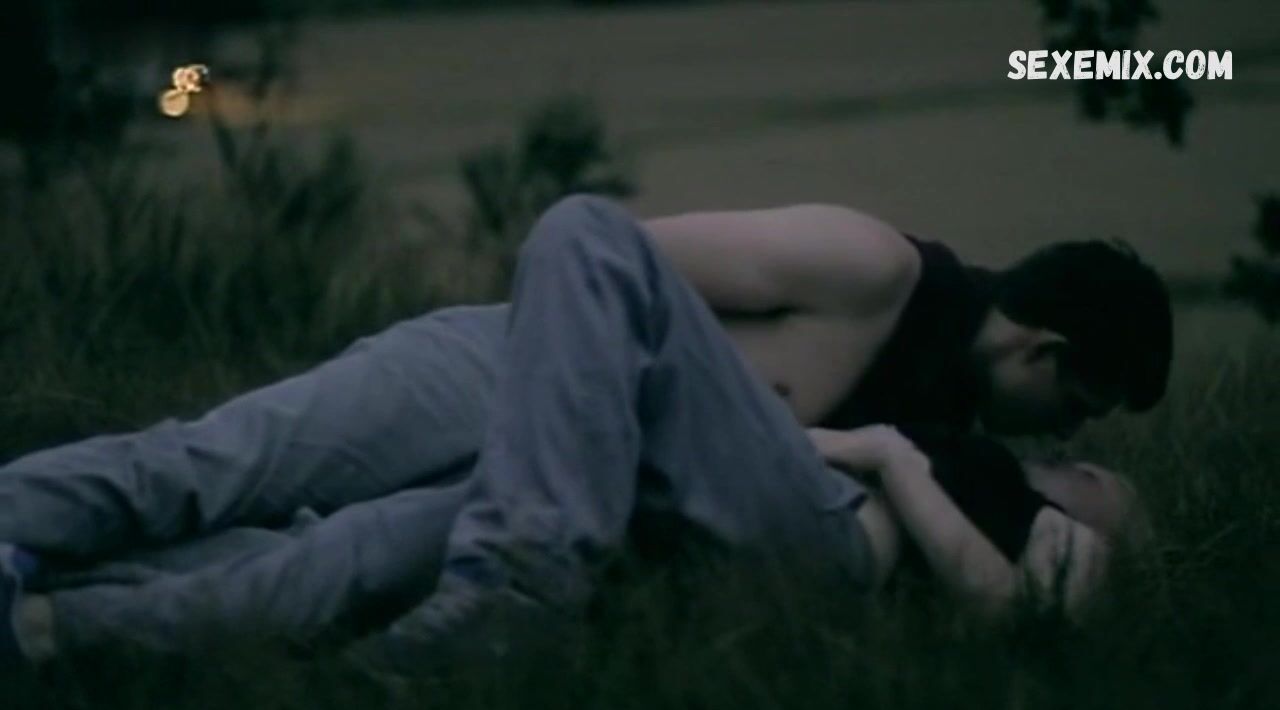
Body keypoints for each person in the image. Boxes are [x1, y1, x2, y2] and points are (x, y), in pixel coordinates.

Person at [0, 194, 1171, 665]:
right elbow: (607, 265)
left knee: (313, 552)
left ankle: (48, 619)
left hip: (571, 471)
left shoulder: (945, 429)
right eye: (1074, 411)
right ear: (1043, 351)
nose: (1060, 440)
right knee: (218, 465)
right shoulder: (870, 266)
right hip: (498, 371)